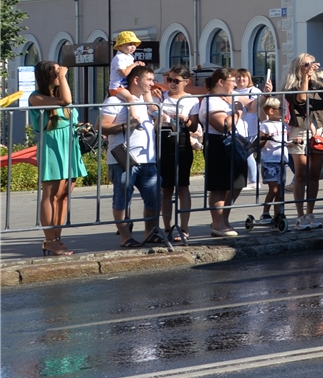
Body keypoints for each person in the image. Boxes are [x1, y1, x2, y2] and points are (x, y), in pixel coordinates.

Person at [102, 64, 166, 246]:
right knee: (122, 199)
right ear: (136, 80)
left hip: (148, 159)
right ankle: (125, 237)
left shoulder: (146, 101)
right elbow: (102, 126)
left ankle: (150, 232)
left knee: (154, 197)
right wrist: (125, 126)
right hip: (123, 159)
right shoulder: (114, 101)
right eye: (149, 80)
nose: (152, 84)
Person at [29, 61, 87, 257]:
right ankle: (49, 240)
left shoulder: (60, 93)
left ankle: (57, 236)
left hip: (69, 144)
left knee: (63, 194)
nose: (60, 72)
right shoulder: (36, 97)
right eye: (56, 71)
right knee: (51, 194)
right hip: (52, 145)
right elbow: (66, 102)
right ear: (47, 75)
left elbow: (68, 107)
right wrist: (63, 77)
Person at [283, 53, 323, 229]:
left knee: (314, 174)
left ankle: (310, 212)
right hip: (300, 130)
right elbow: (302, 99)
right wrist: (305, 77)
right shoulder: (292, 86)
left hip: (318, 129)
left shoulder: (319, 84)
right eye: (306, 64)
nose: (311, 67)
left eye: (312, 63)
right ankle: (300, 216)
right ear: (299, 67)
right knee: (301, 174)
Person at [156, 69, 204, 242]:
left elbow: (193, 127)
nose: (172, 83)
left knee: (182, 186)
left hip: (182, 141)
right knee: (166, 188)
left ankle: (184, 228)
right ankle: (167, 227)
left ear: (186, 81)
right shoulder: (160, 95)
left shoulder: (191, 100)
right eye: (169, 80)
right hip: (163, 140)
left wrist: (185, 119)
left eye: (176, 80)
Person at [201, 67, 247, 237]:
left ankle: (223, 219)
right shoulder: (211, 100)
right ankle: (218, 223)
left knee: (237, 183)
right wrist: (238, 113)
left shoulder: (224, 99)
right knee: (219, 186)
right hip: (218, 143)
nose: (235, 84)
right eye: (232, 81)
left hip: (233, 143)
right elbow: (223, 125)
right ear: (220, 82)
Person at [255, 96, 291, 230]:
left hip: (281, 160)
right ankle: (265, 213)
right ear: (270, 111)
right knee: (274, 189)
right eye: (279, 109)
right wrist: (265, 138)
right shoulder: (265, 125)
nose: (282, 111)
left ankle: (278, 214)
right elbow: (259, 144)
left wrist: (294, 142)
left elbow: (285, 141)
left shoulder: (283, 124)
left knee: (280, 191)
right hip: (270, 161)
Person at [108, 30, 142, 96]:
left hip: (126, 86)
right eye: (130, 44)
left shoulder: (129, 57)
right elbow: (124, 73)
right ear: (120, 45)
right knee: (130, 99)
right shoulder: (119, 58)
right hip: (117, 87)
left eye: (134, 44)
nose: (133, 47)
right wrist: (134, 65)